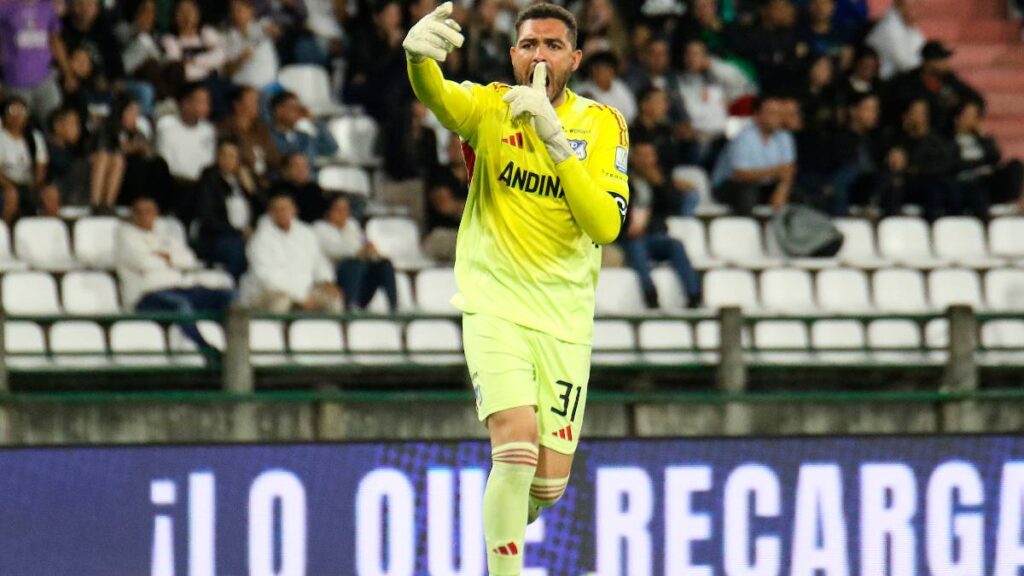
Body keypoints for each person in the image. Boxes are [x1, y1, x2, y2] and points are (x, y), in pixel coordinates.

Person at [404, 3, 630, 574]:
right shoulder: (491, 107)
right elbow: (437, 96)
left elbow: (603, 225)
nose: (539, 56)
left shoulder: (603, 124)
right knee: (515, 447)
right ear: (513, 54)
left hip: (563, 319)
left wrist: (554, 140)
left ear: (574, 59)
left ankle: (494, 519)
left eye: (553, 46)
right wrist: (416, 60)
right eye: (529, 44)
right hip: (494, 303)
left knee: (546, 486)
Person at [115, 196, 233, 363]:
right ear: (133, 215)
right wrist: (170, 259)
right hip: (147, 296)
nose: (145, 216)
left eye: (149, 212)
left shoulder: (166, 234)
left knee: (228, 297)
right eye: (140, 212)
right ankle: (207, 350)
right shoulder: (125, 236)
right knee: (180, 306)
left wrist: (166, 257)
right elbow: (144, 263)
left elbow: (189, 259)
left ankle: (236, 349)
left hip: (182, 287)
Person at [620, 141, 702, 308]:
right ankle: (650, 295)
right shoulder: (621, 178)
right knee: (636, 247)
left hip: (652, 235)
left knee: (675, 245)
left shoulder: (659, 179)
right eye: (643, 155)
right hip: (626, 237)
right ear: (633, 158)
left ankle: (694, 295)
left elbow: (672, 207)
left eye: (651, 156)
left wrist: (661, 185)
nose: (648, 160)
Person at [241, 194, 343, 312]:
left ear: (294, 210)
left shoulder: (306, 233)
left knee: (333, 298)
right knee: (282, 300)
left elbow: (319, 261)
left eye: (285, 208)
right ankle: (278, 330)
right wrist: (300, 296)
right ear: (271, 213)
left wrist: (326, 281)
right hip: (268, 293)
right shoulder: (260, 239)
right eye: (277, 209)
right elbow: (266, 278)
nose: (282, 212)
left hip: (305, 291)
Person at [712, 96, 797, 216]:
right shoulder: (744, 137)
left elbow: (788, 170)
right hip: (729, 185)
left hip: (763, 185)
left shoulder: (784, 136)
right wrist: (775, 171)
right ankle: (744, 229)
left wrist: (782, 190)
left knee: (797, 194)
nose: (776, 118)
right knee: (748, 193)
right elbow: (740, 174)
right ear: (757, 116)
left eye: (778, 113)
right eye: (771, 113)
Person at [314, 195, 398, 311]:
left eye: (345, 209)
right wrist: (358, 251)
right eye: (338, 209)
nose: (343, 213)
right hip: (336, 279)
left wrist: (369, 249)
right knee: (354, 264)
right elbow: (334, 250)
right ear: (329, 211)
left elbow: (362, 241)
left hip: (361, 279)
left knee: (384, 264)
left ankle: (393, 307)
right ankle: (351, 306)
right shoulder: (319, 228)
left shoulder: (352, 225)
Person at [196, 139, 265, 280]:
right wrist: (238, 232)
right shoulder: (209, 178)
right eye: (223, 155)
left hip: (250, 232)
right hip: (220, 235)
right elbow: (208, 217)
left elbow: (265, 209)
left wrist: (252, 190)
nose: (227, 160)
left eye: (232, 156)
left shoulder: (246, 178)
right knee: (237, 249)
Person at [886, 41, 983, 134]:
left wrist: (971, 107)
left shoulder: (949, 79)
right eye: (942, 59)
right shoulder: (907, 80)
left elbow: (975, 98)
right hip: (914, 136)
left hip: (947, 136)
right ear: (929, 61)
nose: (946, 63)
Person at [0, 0, 72, 123]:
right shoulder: (5, 9)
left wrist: (68, 72)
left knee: (55, 122)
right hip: (15, 83)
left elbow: (55, 41)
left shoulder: (47, 8)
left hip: (45, 80)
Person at [952, 100, 1024, 217]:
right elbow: (954, 164)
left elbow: (996, 158)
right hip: (967, 181)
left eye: (975, 116)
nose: (973, 120)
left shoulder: (982, 140)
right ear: (957, 118)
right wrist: (979, 165)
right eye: (969, 116)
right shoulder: (950, 141)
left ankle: (1012, 203)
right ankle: (984, 222)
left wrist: (982, 136)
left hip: (988, 180)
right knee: (978, 188)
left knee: (1016, 164)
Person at [156, 83, 216, 217]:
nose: (206, 106)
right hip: (172, 182)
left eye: (207, 102)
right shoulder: (166, 124)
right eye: (201, 102)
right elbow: (163, 157)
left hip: (197, 186)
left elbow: (208, 162)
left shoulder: (208, 130)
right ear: (185, 103)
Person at [0, 96, 58, 223]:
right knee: (11, 195)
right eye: (13, 110)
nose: (19, 115)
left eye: (22, 111)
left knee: (50, 194)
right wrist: (11, 185)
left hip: (28, 184)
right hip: (6, 185)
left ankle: (49, 231)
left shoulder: (34, 138)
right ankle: (5, 232)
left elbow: (40, 166)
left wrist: (35, 184)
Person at [218, 86, 281, 187]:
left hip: (264, 180)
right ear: (237, 105)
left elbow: (274, 156)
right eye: (252, 101)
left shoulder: (262, 128)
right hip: (238, 180)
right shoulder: (225, 128)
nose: (257, 105)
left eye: (257, 101)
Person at [424, 132, 469, 262]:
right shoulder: (438, 173)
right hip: (439, 234)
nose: (452, 150)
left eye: (458, 146)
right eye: (450, 146)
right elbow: (445, 206)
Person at [268, 91, 338, 172]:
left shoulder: (305, 137)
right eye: (294, 108)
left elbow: (331, 148)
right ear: (279, 110)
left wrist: (314, 120)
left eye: (299, 108)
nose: (299, 112)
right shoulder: (268, 137)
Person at [224, 0, 279, 89]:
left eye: (239, 10)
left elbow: (277, 32)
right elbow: (226, 71)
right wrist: (240, 60)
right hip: (243, 87)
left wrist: (272, 30)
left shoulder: (262, 25)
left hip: (269, 85)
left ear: (250, 12)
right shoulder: (227, 37)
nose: (236, 14)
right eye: (232, 11)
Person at [865, 0, 924, 80]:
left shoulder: (909, 26)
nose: (917, 11)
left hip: (900, 76)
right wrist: (928, 64)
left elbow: (922, 49)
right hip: (885, 80)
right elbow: (904, 63)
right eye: (912, 7)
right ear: (900, 8)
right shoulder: (889, 28)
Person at [576, 51, 637, 125]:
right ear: (591, 70)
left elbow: (631, 114)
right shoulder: (582, 90)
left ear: (613, 71)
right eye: (598, 69)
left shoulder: (620, 86)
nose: (602, 73)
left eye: (605, 69)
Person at [276, 152, 331, 223]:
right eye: (296, 166)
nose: (301, 170)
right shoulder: (278, 190)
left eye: (304, 166)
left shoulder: (315, 189)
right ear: (286, 169)